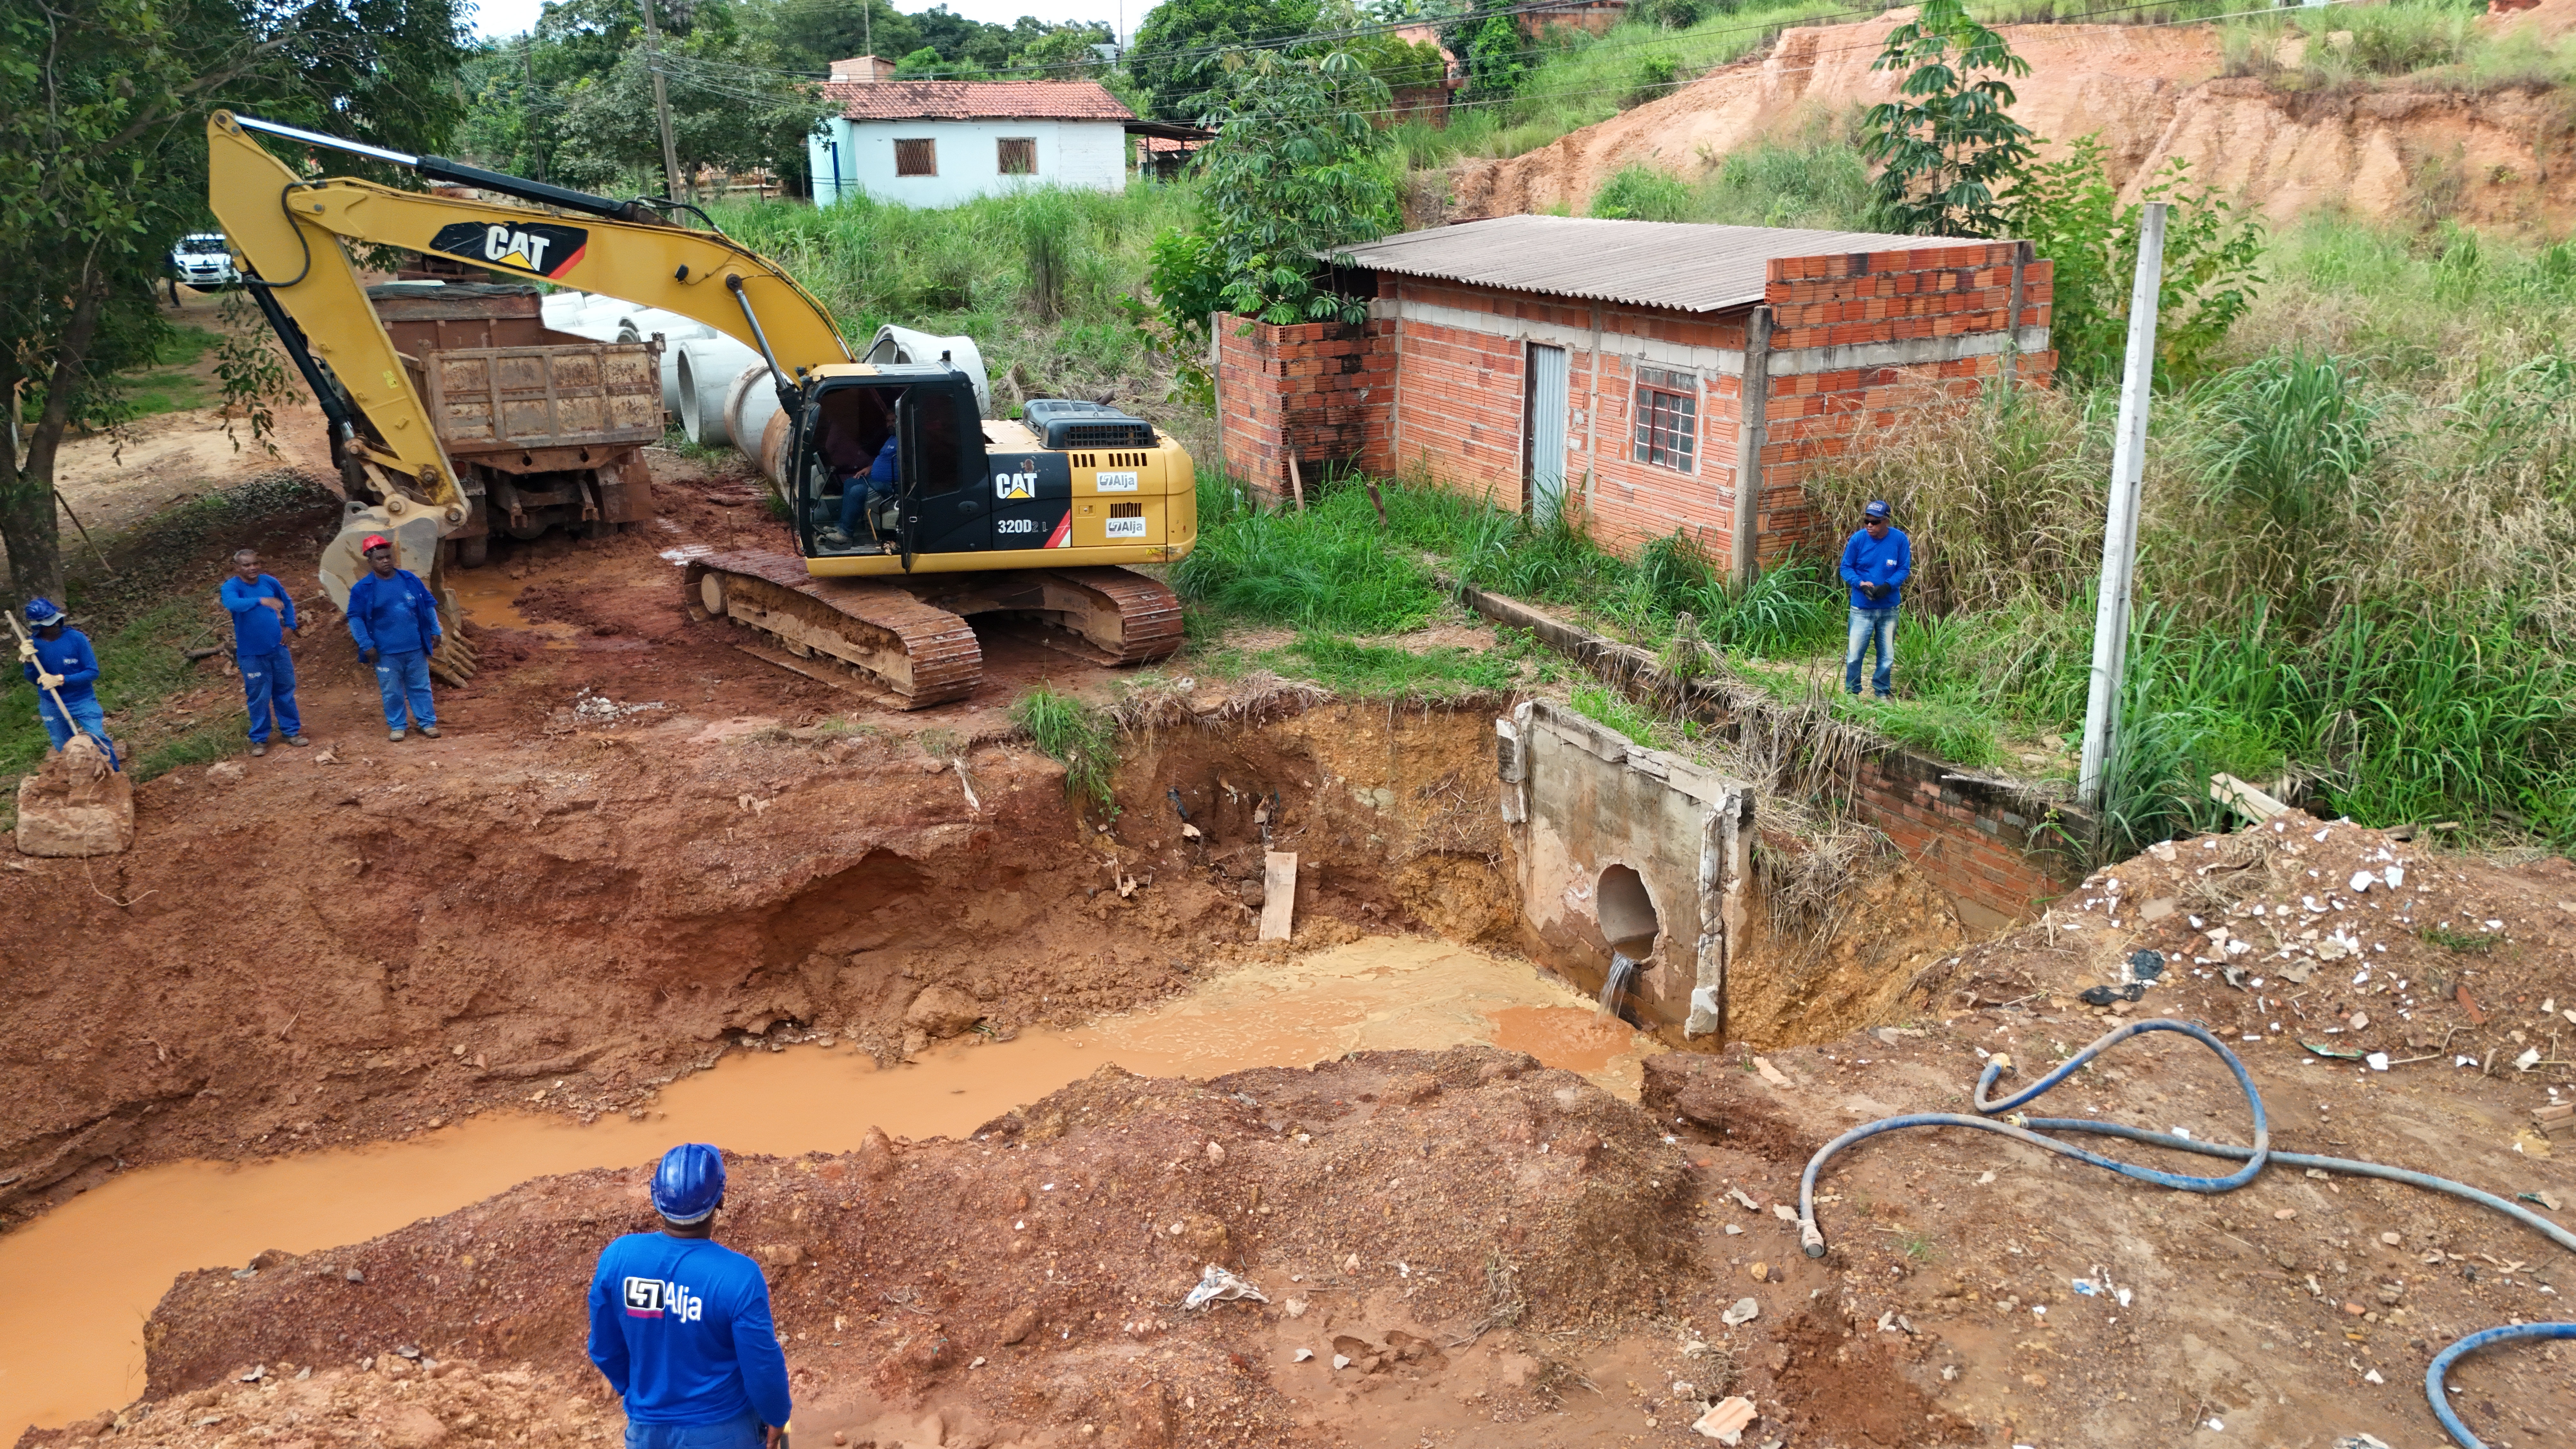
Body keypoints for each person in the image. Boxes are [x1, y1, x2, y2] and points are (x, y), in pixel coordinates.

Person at [587, 1145, 793, 1449]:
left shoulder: (618, 1258)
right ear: (720, 1200)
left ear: (657, 1198)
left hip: (647, 1432)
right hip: (723, 1431)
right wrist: (777, 1417)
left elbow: (604, 1348)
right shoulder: (739, 1276)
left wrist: (641, 1392)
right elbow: (762, 1365)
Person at [344, 535, 444, 742]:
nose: (385, 561)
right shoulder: (363, 589)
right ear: (370, 562)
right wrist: (366, 644)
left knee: (421, 687)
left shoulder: (410, 580)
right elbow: (355, 618)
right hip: (385, 652)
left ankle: (427, 723)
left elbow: (428, 605)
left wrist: (436, 630)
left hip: (415, 647)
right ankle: (398, 726)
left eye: (388, 557)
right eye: (380, 559)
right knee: (392, 691)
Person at [221, 549, 308, 757]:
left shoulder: (269, 582)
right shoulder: (232, 587)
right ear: (237, 567)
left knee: (285, 691)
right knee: (258, 697)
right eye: (247, 565)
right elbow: (232, 604)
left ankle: (291, 732)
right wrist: (260, 601)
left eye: (256, 563)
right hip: (251, 653)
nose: (253, 568)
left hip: (278, 648)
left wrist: (290, 625)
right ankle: (260, 739)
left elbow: (287, 603)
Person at [18, 598, 118, 769]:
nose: (56, 625)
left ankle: (114, 774)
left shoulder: (76, 639)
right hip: (52, 703)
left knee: (98, 736)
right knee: (63, 746)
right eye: (50, 624)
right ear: (38, 626)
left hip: (82, 699)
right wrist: (28, 663)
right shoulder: (33, 646)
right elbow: (34, 680)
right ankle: (80, 778)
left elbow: (92, 672)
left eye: (56, 620)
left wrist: (61, 679)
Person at [1838, 499, 1912, 699]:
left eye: (1876, 522)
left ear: (1886, 521)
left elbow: (1903, 568)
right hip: (1862, 608)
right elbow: (1846, 568)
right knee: (1855, 655)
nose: (1870, 526)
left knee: (1887, 655)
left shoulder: (1899, 540)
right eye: (1867, 521)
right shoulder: (1858, 540)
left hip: (1889, 608)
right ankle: (1852, 693)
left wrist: (1887, 586)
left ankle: (1882, 692)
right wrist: (1861, 584)